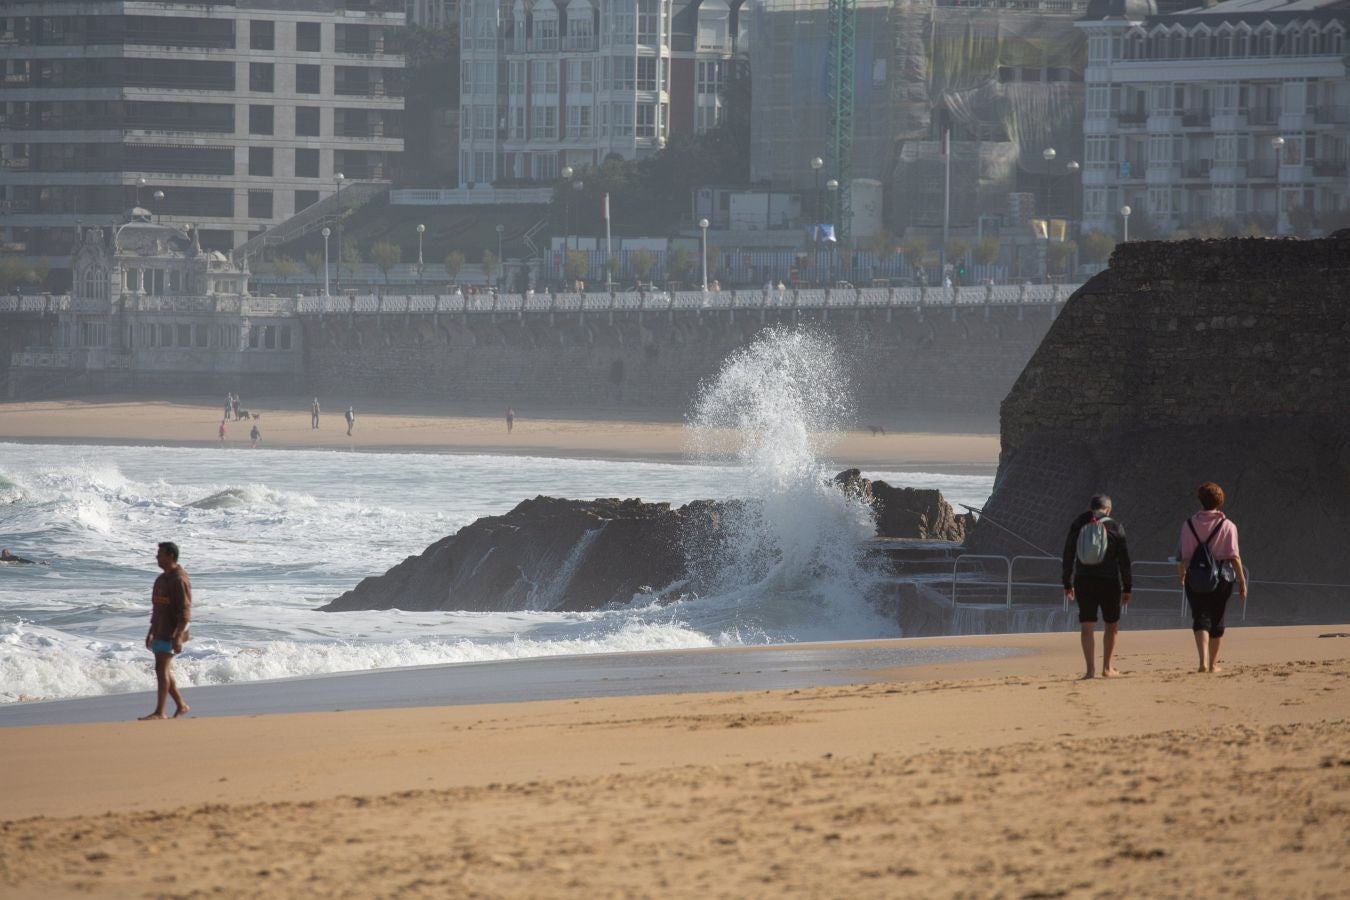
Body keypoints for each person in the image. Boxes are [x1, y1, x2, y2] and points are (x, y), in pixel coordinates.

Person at [1177, 482, 1248, 673]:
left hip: (1195, 578)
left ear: (1200, 500)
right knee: (1217, 619)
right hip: (1222, 578)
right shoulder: (1228, 525)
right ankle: (1213, 665)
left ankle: (1202, 661)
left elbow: (1182, 555)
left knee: (1200, 617)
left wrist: (1182, 575)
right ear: (1220, 501)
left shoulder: (1188, 524)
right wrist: (1242, 581)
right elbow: (1234, 556)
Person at [1062, 494, 1133, 679]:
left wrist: (1067, 582)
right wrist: (1127, 587)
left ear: (1090, 507)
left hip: (1084, 580)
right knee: (1111, 625)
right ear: (1108, 509)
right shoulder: (1115, 527)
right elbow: (1124, 560)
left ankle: (1090, 670)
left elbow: (1068, 553)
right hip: (1109, 581)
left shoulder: (1078, 524)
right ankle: (1107, 668)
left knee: (1087, 626)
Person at [140, 541, 191, 720]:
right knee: (163, 670)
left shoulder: (179, 579)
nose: (157, 557)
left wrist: (178, 635)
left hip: (172, 632)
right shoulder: (161, 579)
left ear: (170, 556)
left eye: (160, 554)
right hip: (160, 630)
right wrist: (151, 631)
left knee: (161, 669)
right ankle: (181, 705)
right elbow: (157, 608)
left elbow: (185, 612)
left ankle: (160, 712)